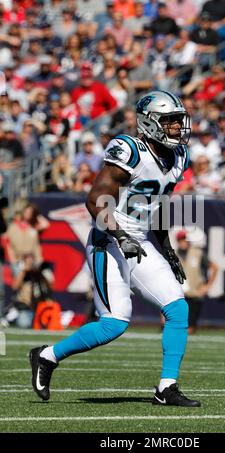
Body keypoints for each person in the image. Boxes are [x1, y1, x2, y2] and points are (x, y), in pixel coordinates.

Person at [29, 90, 200, 407]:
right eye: (171, 121)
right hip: (109, 240)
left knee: (178, 309)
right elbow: (95, 200)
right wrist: (121, 236)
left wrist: (167, 248)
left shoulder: (179, 157)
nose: (178, 126)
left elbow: (156, 206)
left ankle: (167, 387)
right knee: (114, 324)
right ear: (150, 123)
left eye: (179, 120)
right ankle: (47, 356)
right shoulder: (130, 151)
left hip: (142, 240)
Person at [176, 230, 218, 334]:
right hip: (179, 294)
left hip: (195, 294)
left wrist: (207, 286)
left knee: (190, 327)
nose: (183, 242)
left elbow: (214, 267)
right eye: (181, 240)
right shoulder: (174, 255)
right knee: (177, 325)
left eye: (184, 239)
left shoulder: (197, 253)